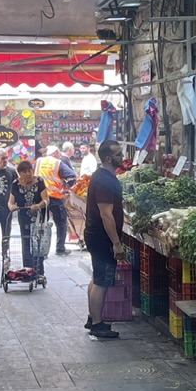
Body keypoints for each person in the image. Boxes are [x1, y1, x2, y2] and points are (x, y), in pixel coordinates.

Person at [83, 139, 126, 339]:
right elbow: (106, 214)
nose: (122, 156)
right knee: (101, 281)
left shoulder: (102, 176)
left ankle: (93, 318)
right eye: (118, 154)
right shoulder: (105, 181)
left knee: (97, 278)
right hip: (101, 237)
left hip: (95, 234)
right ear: (108, 157)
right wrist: (116, 243)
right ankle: (98, 324)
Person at [8, 160, 49, 284]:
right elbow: (10, 202)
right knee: (26, 243)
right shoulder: (15, 184)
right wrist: (11, 206)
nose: (28, 174)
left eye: (29, 171)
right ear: (19, 173)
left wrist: (38, 205)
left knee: (38, 245)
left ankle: (40, 273)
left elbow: (46, 200)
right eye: (24, 172)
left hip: (38, 219)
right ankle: (29, 271)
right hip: (24, 218)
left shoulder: (39, 181)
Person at [34, 144, 76, 256]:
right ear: (56, 153)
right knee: (61, 223)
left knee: (41, 223)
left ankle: (41, 249)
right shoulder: (58, 163)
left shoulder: (38, 162)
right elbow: (72, 176)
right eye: (59, 154)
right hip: (54, 197)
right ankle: (60, 248)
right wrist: (66, 188)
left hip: (40, 198)